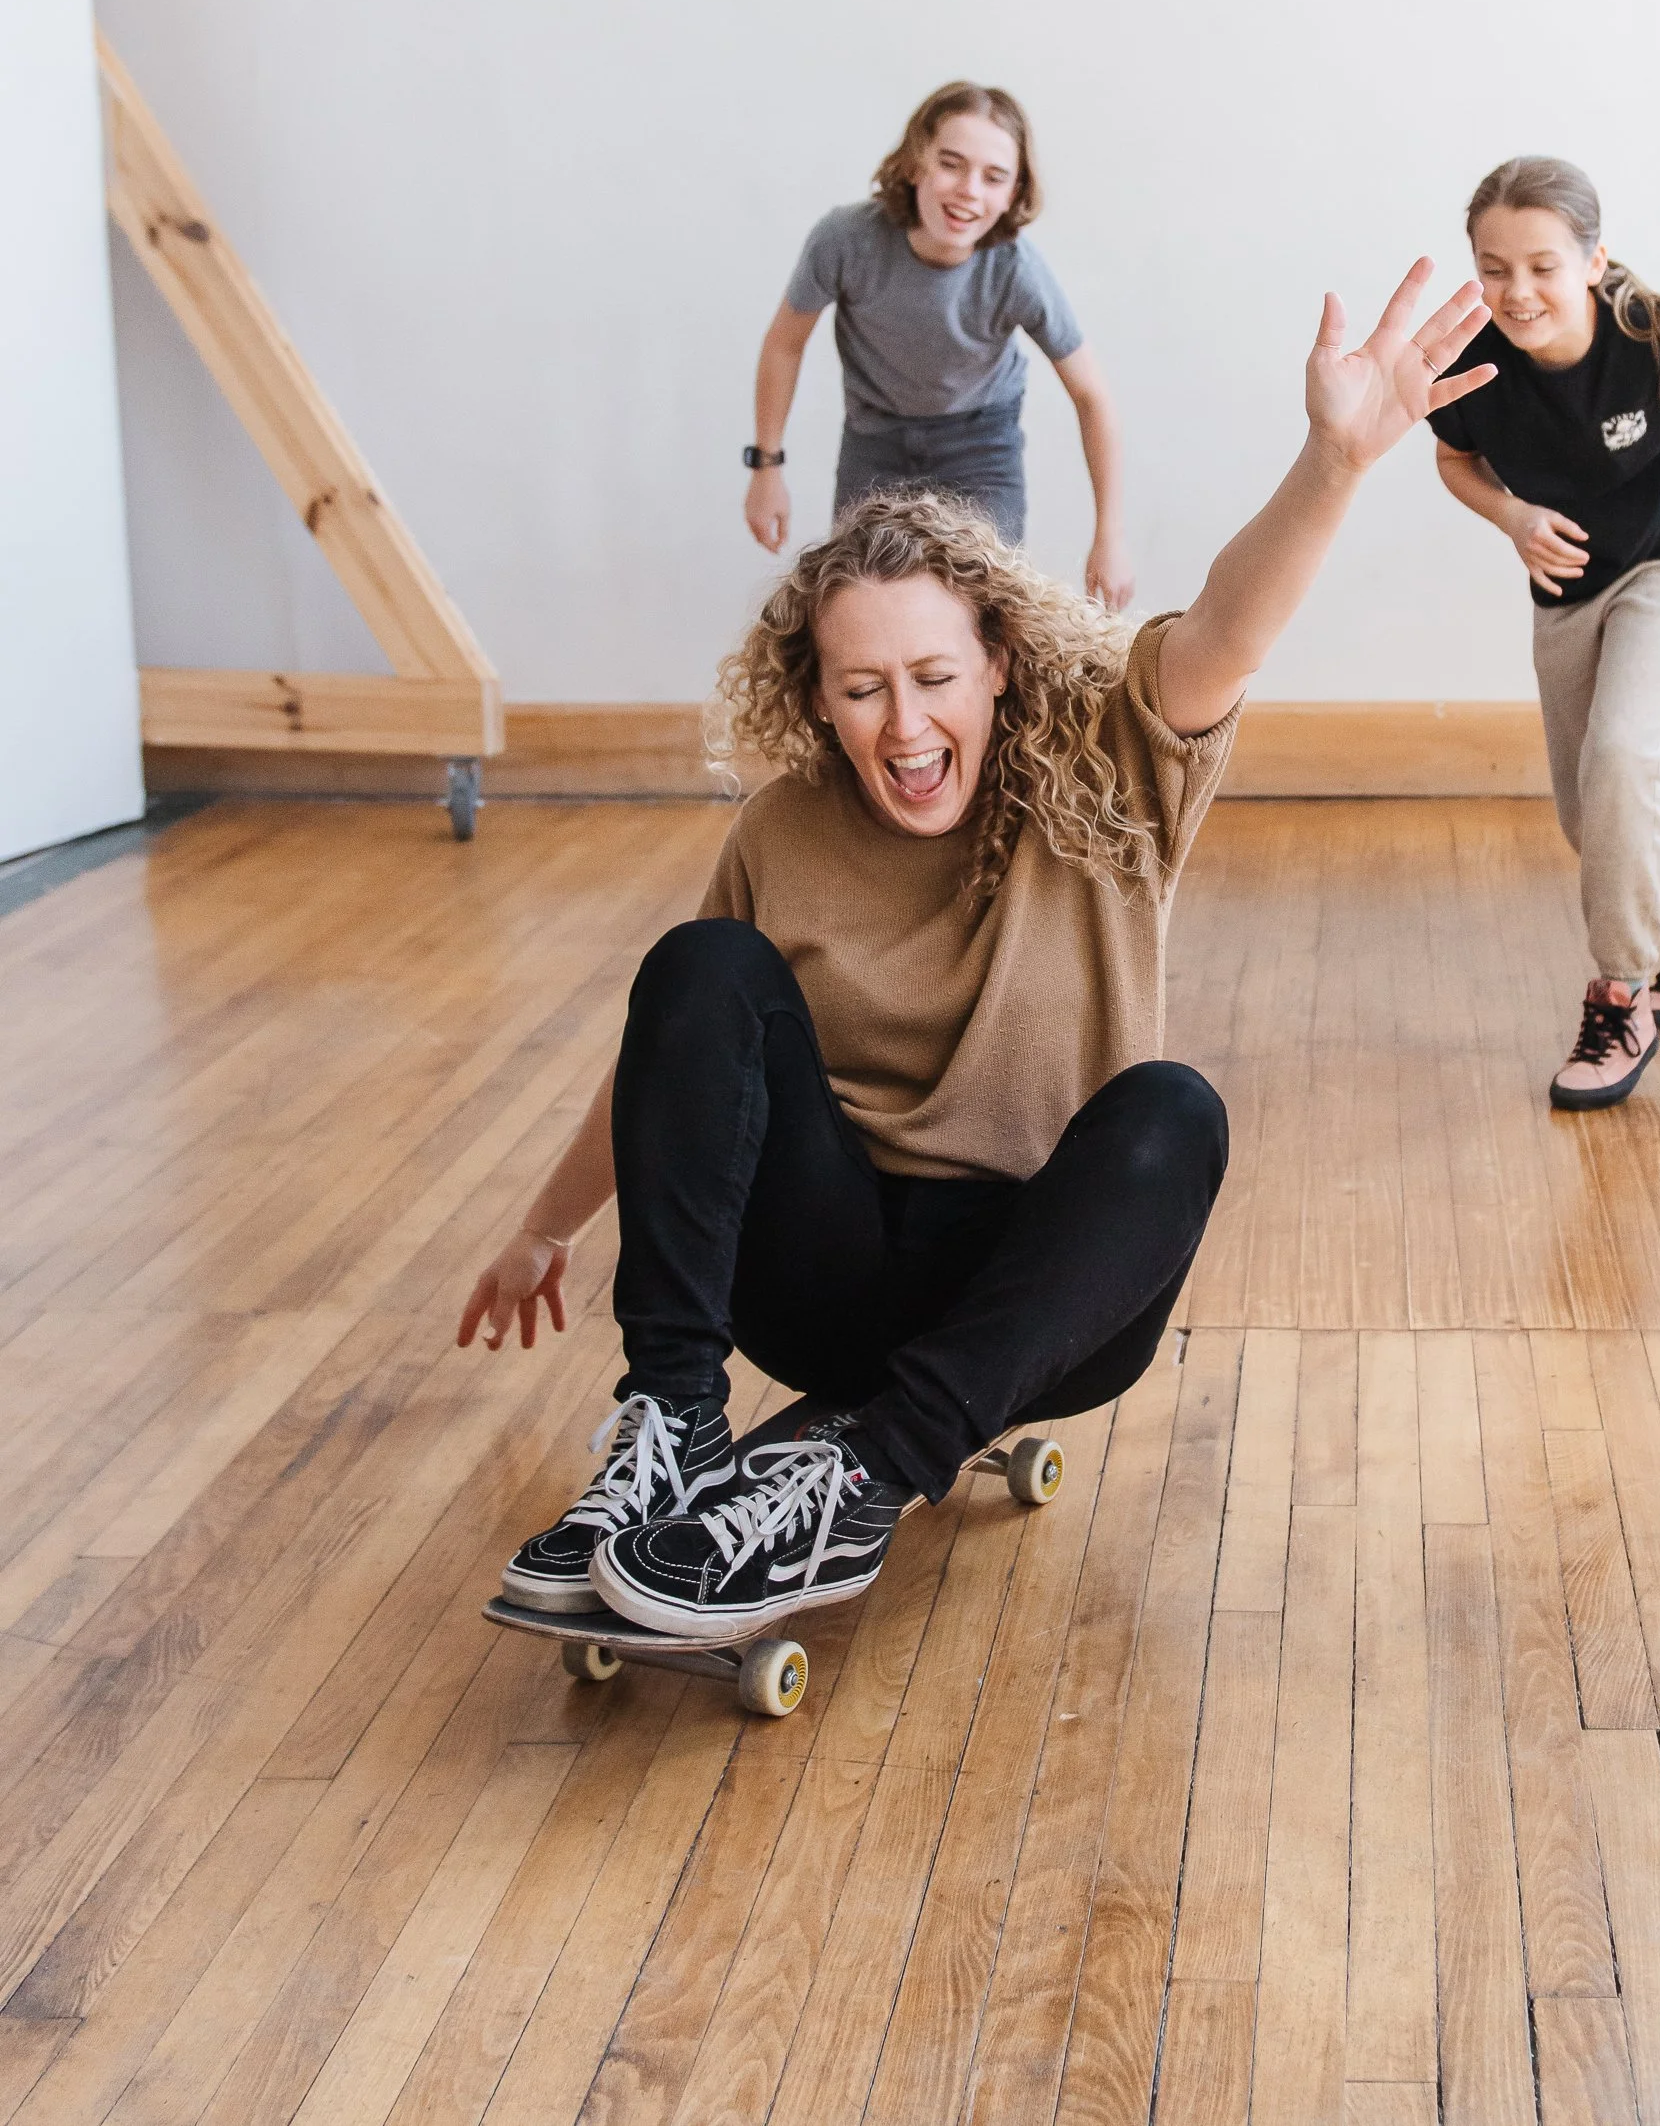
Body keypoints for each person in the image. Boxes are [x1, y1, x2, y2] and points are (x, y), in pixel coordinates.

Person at [458, 259, 1493, 1648]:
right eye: (863, 688)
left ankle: (864, 1482)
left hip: (1040, 1293)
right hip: (824, 1276)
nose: (904, 726)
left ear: (999, 662)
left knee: (1171, 1111)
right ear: (816, 699)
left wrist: (1332, 462)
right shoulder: (785, 830)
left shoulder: (1117, 762)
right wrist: (544, 1228)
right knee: (698, 971)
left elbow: (1232, 624)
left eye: (934, 679)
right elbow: (681, 1064)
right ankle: (668, 1429)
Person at [1428, 156, 1660, 1112]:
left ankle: (1621, 995)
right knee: (1593, 814)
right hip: (1569, 586)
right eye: (1494, 267)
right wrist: (1513, 518)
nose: (1518, 291)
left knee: (1621, 756)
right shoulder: (1472, 360)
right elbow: (1454, 458)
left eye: (1543, 266)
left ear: (1594, 261)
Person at [742, 80, 1135, 608]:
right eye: (951, 164)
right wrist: (766, 469)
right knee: (861, 606)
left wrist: (1109, 534)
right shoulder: (846, 241)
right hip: (874, 438)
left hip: (980, 445)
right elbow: (784, 345)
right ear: (913, 164)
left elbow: (1092, 396)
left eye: (994, 177)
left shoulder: (1016, 273)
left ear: (1015, 194)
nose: (970, 189)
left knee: (984, 609)